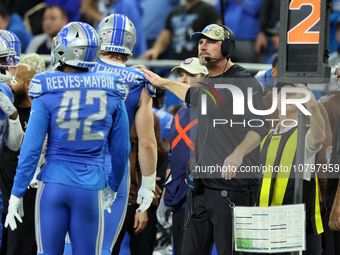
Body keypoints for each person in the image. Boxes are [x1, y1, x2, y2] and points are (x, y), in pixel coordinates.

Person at [4, 21, 130, 254]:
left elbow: (31, 148)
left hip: (53, 183)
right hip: (90, 185)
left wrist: (17, 192)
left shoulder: (46, 85)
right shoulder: (112, 88)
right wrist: (114, 184)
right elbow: (122, 148)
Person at [142, 23, 269, 255]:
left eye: (210, 41)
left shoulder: (241, 82)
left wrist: (238, 154)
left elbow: (260, 126)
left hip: (233, 188)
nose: (203, 46)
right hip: (201, 188)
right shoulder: (208, 83)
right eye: (201, 42)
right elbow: (194, 95)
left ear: (227, 46)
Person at [62, 14, 157, 255]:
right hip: (114, 166)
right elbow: (146, 143)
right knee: (102, 248)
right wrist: (147, 186)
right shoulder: (139, 80)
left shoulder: (78, 67)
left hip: (72, 160)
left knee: (66, 245)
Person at [258, 82, 325, 255]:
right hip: (266, 225)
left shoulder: (306, 134)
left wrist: (313, 107)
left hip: (297, 225)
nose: (286, 95)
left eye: (293, 93)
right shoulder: (265, 138)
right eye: (281, 93)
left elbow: (319, 138)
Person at [156, 57, 207, 255]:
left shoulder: (212, 109)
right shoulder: (179, 114)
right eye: (180, 75)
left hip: (200, 199)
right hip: (179, 199)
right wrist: (166, 197)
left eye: (191, 75)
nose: (182, 80)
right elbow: (174, 159)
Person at [0, 63, 36, 255]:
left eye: (12, 81)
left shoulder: (40, 113)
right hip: (2, 200)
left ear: (28, 84)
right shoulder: (3, 109)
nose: (6, 85)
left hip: (25, 201)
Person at [143, 0, 221, 60]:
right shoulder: (174, 12)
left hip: (199, 64)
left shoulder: (209, 10)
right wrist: (156, 50)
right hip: (178, 64)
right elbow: (166, 35)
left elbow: (216, 37)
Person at [25, 5, 68, 69]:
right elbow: (26, 65)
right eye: (45, 19)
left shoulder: (69, 45)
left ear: (64, 21)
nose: (47, 23)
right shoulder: (36, 41)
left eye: (53, 18)